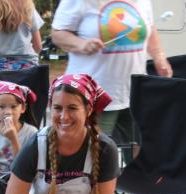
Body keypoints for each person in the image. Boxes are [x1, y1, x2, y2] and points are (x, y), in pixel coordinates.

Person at [51, 0, 172, 145]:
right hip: (95, 95)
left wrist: (159, 56)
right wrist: (81, 44)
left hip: (134, 93)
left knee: (139, 149)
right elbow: (58, 34)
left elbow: (149, 28)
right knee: (95, 150)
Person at [0, 80, 38, 189]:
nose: (8, 112)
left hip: (22, 182)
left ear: (22, 108)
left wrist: (13, 139)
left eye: (13, 107)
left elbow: (24, 168)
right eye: (2, 107)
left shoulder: (31, 133)